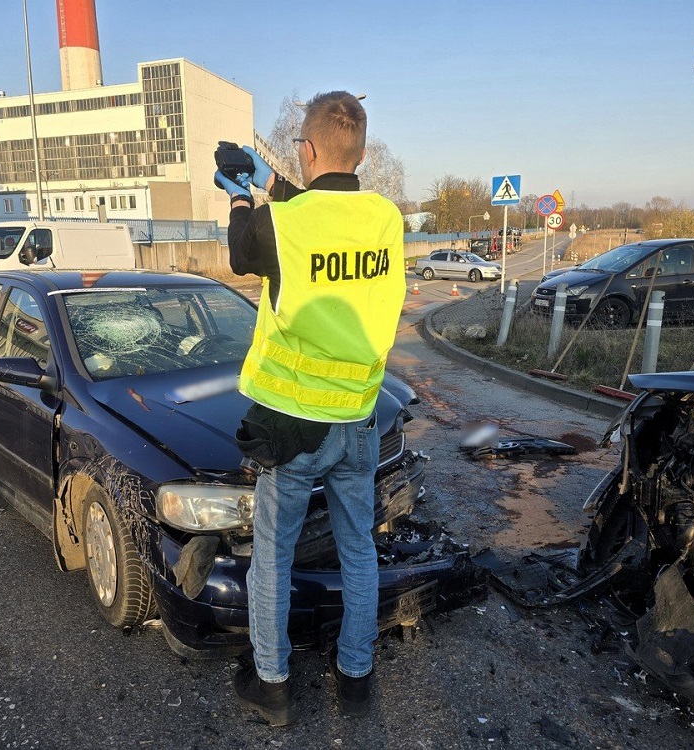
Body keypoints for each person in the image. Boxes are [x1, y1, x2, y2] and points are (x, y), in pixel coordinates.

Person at [213, 91, 405, 726]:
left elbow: (245, 248)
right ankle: (355, 675)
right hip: (360, 418)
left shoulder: (280, 225)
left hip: (294, 426)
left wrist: (242, 190)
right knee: (359, 549)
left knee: (274, 554)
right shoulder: (386, 219)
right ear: (361, 152)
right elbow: (324, 208)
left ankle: (273, 683)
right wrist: (272, 178)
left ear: (310, 147)